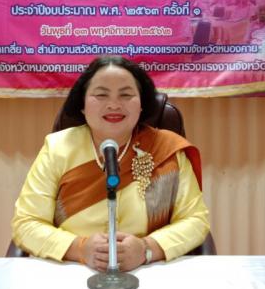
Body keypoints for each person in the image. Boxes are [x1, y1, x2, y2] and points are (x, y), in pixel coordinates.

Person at [11, 56, 210, 272]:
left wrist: (147, 249)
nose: (114, 105)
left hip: (149, 270)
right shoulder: (57, 149)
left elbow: (195, 220)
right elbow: (26, 223)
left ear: (141, 105)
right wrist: (79, 248)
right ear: (82, 105)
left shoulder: (167, 149)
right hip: (72, 269)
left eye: (126, 95)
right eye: (101, 95)